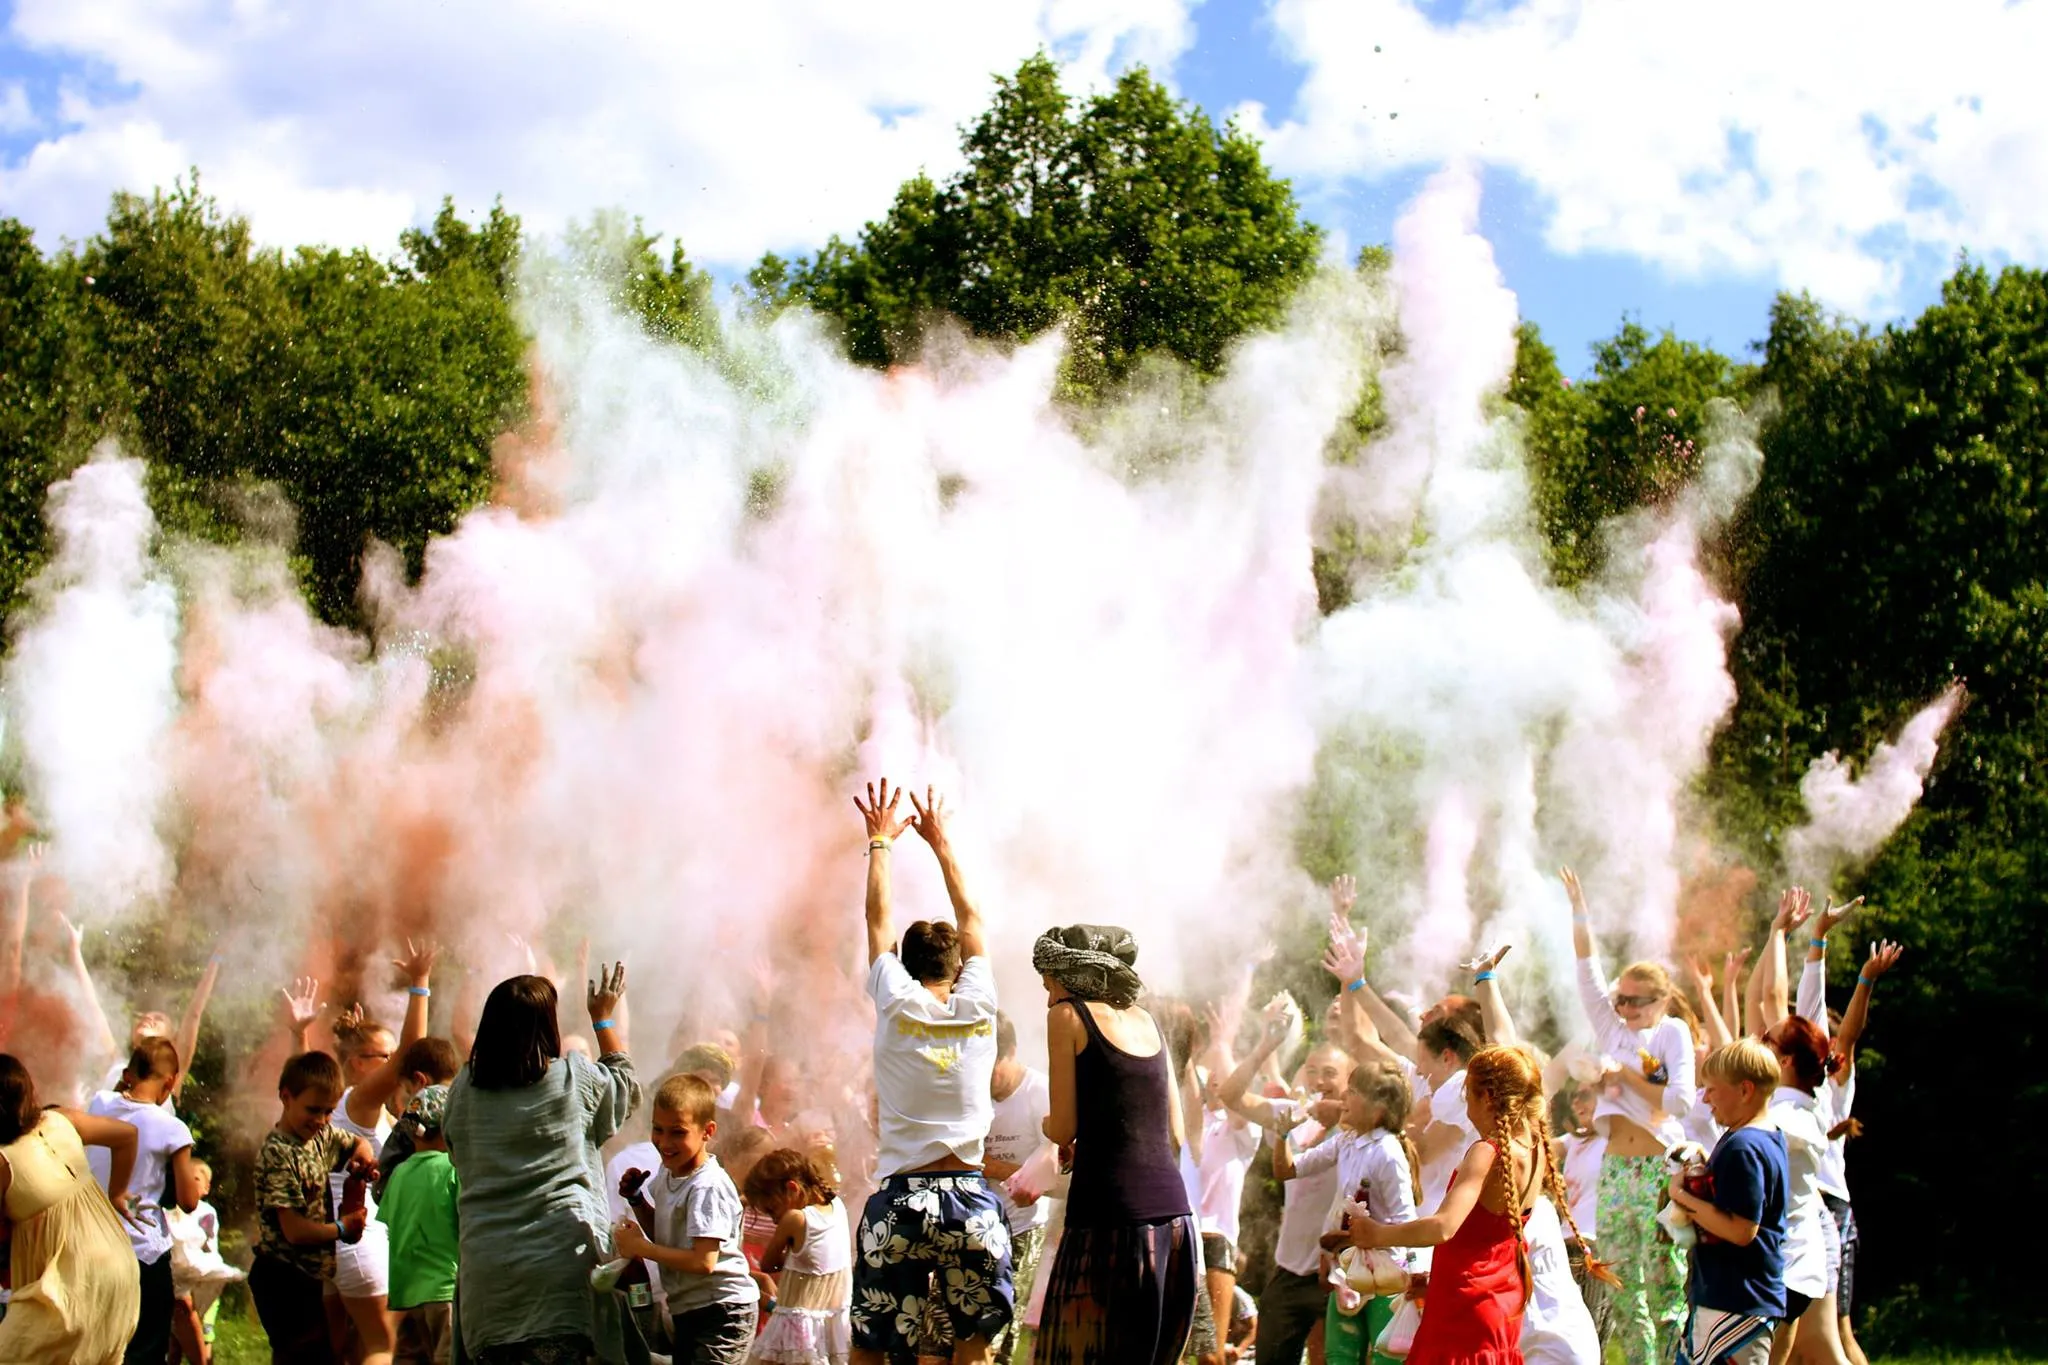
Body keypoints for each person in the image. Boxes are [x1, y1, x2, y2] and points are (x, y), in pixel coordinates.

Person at [850, 779, 1010, 1365]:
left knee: (871, 1351)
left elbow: (876, 920)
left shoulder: (894, 999)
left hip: (901, 1203)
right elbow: (973, 918)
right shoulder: (980, 1001)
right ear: (959, 965)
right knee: (972, 1355)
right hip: (971, 1200)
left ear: (905, 965)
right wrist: (940, 843)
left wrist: (880, 843)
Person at [443, 966, 641, 1364]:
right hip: (561, 1267)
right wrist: (602, 1017)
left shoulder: (464, 1089)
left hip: (488, 1272)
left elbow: (454, 1149)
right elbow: (625, 1090)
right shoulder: (573, 1079)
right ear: (547, 1023)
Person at [1032, 922, 1199, 1365]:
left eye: (1048, 981)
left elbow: (1062, 1126)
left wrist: (1050, 1127)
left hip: (1110, 1221)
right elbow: (1176, 1134)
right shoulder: (1149, 1021)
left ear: (1070, 974)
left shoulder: (1066, 1016)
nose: (1048, 995)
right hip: (1176, 1223)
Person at [1344, 1046, 1566, 1365]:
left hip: (1465, 1306)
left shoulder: (1487, 1152)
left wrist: (1376, 1234)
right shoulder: (1534, 1149)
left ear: (1487, 1098)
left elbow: (1444, 1226)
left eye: (1468, 1097)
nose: (1467, 1109)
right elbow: (1480, 1235)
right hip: (1502, 1300)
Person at [1562, 868, 1697, 1365]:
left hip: (1659, 1166)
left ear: (1660, 1000)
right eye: (1619, 998)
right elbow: (1585, 967)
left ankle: (1674, 1359)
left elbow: (1679, 1102)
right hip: (1617, 1167)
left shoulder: (1672, 1033)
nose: (1621, 1006)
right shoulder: (1613, 1027)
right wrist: (1579, 909)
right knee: (1620, 1278)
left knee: (1666, 1278)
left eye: (1634, 1000)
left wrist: (1623, 1074)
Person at [326, 940, 440, 1365]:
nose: (394, 1063)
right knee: (380, 1348)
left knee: (353, 1351)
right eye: (384, 1056)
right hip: (363, 1242)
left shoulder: (346, 1104)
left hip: (343, 1241)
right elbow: (414, 1054)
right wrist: (420, 983)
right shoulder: (357, 1101)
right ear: (358, 1063)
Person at [1219, 1003, 1351, 1365]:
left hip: (1337, 1271)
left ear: (1349, 1082)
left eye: (1329, 1073)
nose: (1318, 1080)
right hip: (1288, 1272)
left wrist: (1341, 1110)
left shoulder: (1359, 1127)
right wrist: (1265, 1046)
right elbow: (1230, 1097)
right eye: (1311, 1071)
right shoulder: (1293, 1114)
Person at [0, 1052, 144, 1363]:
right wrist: (117, 1192)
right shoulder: (62, 1120)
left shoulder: (3, 1162)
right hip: (119, 1273)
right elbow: (127, 1135)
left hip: (67, 1289)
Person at [1272, 1060, 1419, 1365]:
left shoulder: (1388, 1152)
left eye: (1353, 1092)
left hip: (1386, 1276)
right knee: (1339, 1357)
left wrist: (1412, 1280)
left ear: (1378, 1109)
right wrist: (1281, 1136)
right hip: (1348, 1273)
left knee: (1386, 1358)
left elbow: (1407, 1223)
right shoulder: (1346, 1143)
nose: (1344, 1099)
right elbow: (1287, 1170)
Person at [615, 1073, 759, 1364]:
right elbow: (667, 1237)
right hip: (689, 1310)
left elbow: (702, 1262)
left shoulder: (706, 1185)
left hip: (723, 1312)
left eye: (678, 1132)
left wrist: (640, 1248)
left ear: (707, 1131)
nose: (664, 1142)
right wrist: (637, 1200)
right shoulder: (669, 1172)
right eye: (658, 1129)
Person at [249, 1050, 379, 1365]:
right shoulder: (280, 1155)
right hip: (282, 1278)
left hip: (308, 1276)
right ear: (285, 1097)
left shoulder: (318, 1136)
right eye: (312, 1110)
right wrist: (342, 1228)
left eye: (328, 1111)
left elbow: (353, 1142)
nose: (320, 1120)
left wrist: (361, 1157)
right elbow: (294, 1231)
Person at [1665, 1040, 1789, 1365]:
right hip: (1738, 1297)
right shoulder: (1765, 1136)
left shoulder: (1744, 1147)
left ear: (1745, 1090)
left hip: (1736, 1302)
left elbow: (1742, 1229)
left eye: (1712, 1090)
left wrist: (1681, 1197)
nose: (1705, 1100)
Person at [86, 1036, 201, 1365]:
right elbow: (189, 1201)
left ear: (131, 1070)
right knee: (144, 1351)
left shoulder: (99, 1104)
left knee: (99, 1348)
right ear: (170, 1081)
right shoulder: (172, 1128)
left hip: (94, 1245)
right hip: (142, 1252)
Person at [1759, 1014, 1849, 1365]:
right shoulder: (1790, 1107)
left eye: (1766, 1038)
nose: (1756, 1039)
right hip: (1793, 1258)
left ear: (1786, 1061)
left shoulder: (1789, 1115)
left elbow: (1767, 1132)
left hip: (1790, 1260)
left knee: (1822, 1350)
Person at [981, 1012, 1052, 1365]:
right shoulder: (974, 1092)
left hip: (1024, 1232)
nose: (986, 1077)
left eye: (993, 1064)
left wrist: (995, 1168)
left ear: (1011, 1051)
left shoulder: (1040, 1093)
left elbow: (1059, 1179)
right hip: (980, 1231)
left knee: (1001, 1343)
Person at [743, 1147, 853, 1365]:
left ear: (792, 1189)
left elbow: (768, 1264)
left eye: (772, 1210)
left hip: (795, 1331)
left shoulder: (795, 1219)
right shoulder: (837, 1206)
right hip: (830, 1328)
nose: (774, 1220)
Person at [378, 1085, 460, 1365]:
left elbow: (390, 1220)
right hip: (445, 1292)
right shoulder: (452, 1170)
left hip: (406, 1296)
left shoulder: (397, 1174)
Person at [168, 1159, 243, 1365]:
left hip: (204, 1284)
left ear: (206, 1187)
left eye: (195, 1179)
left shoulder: (206, 1213)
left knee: (204, 1337)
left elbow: (206, 1248)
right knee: (172, 1343)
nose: (188, 1184)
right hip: (178, 1283)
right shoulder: (170, 1211)